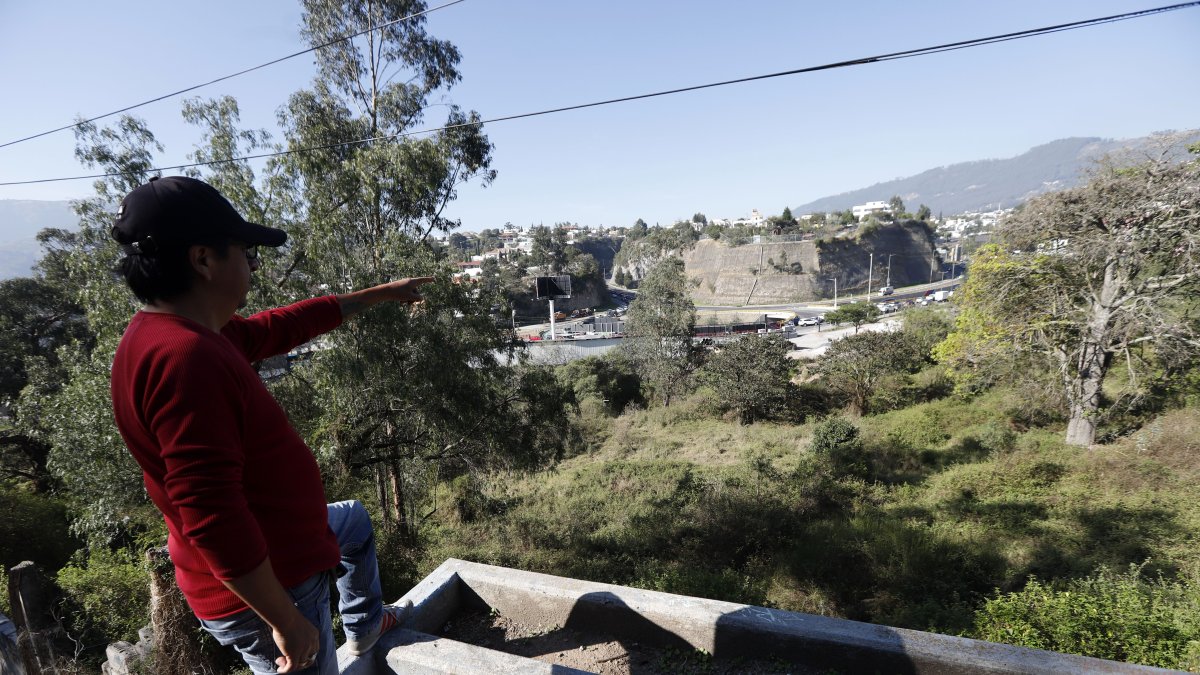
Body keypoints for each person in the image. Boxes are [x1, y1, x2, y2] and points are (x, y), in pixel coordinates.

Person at [108, 176, 428, 674]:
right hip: (273, 586)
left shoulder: (188, 335)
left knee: (354, 522)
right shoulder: (186, 359)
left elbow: (284, 325)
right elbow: (211, 513)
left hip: (286, 544)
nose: (253, 266)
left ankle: (365, 625)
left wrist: (382, 294)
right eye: (246, 252)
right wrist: (284, 619)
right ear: (203, 259)